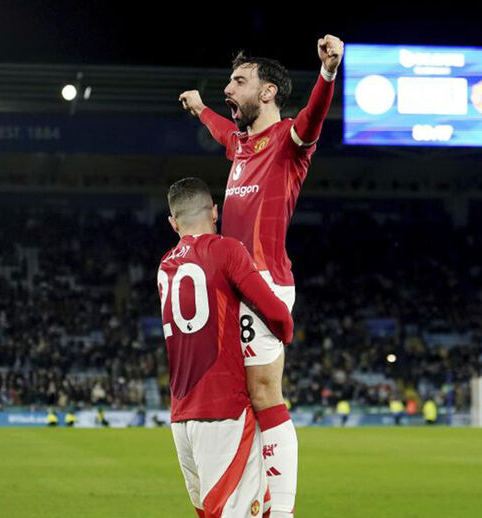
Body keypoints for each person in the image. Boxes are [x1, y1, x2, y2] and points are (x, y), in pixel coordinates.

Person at [179, 35, 343, 518]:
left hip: (264, 284)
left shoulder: (289, 141)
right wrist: (201, 109)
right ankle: (258, 502)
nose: (229, 88)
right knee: (244, 398)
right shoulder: (241, 146)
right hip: (232, 291)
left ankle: (282, 509)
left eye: (239, 81)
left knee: (265, 394)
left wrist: (328, 72)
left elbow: (314, 116)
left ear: (267, 92)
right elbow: (221, 131)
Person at [158, 177, 294, 518]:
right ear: (215, 212)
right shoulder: (226, 250)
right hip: (223, 413)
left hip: (181, 417)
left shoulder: (165, 264)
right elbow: (276, 312)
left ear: (173, 223)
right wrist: (285, 333)